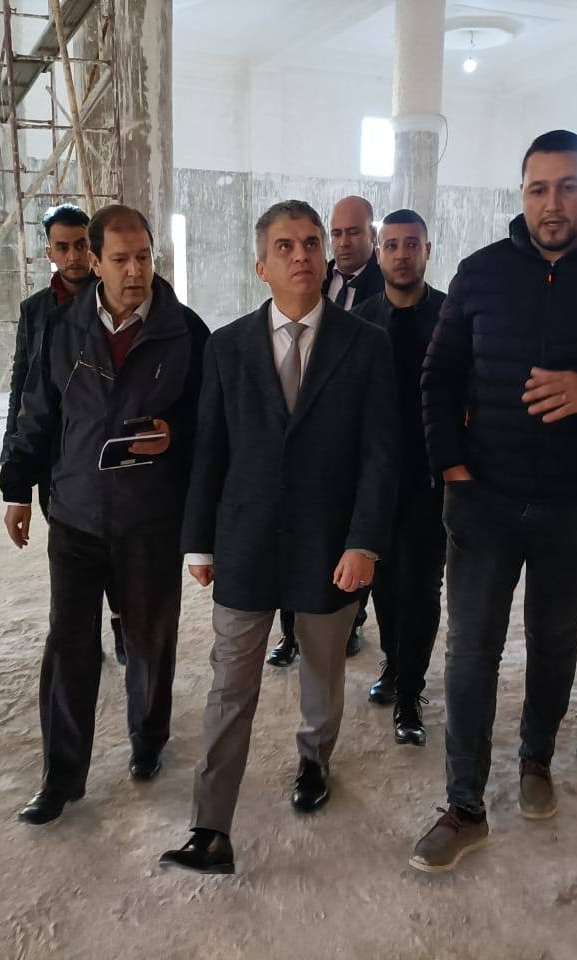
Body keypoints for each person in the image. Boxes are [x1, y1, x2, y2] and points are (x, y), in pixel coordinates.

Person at [409, 131, 577, 873]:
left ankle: (536, 758)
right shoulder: (481, 273)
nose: (553, 203)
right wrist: (452, 468)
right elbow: (438, 379)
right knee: (471, 651)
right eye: (539, 188)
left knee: (554, 641)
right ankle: (465, 806)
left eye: (568, 187)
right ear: (522, 194)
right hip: (484, 501)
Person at [159, 200, 399, 875]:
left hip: (331, 543)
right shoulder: (227, 347)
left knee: (323, 669)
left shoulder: (366, 345)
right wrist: (198, 541)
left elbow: (382, 455)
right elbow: (210, 450)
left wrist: (365, 542)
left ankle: (315, 759)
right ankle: (210, 827)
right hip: (246, 540)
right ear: (261, 265)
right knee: (230, 684)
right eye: (286, 246)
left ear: (326, 258)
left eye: (312, 244)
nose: (302, 255)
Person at [1, 204, 209, 825]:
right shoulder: (63, 329)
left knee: (149, 638)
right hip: (76, 514)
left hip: (150, 518)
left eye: (143, 256)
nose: (135, 270)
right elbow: (37, 411)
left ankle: (148, 738)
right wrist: (17, 488)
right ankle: (62, 776)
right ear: (95, 262)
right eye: (120, 259)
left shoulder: (185, 331)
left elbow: (211, 425)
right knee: (69, 644)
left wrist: (174, 436)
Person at [1, 203, 127, 665]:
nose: (73, 256)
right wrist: (15, 481)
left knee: (114, 546)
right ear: (49, 252)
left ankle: (122, 622)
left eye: (80, 245)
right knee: (72, 548)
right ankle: (81, 637)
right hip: (55, 456)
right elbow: (24, 389)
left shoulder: (117, 298)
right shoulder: (36, 311)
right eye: (63, 247)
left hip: (106, 448)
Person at [268, 193, 384, 666]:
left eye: (353, 232)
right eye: (335, 234)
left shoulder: (385, 288)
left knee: (342, 560)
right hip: (294, 444)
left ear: (372, 235)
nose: (343, 242)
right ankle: (289, 633)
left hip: (345, 449)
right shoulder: (314, 277)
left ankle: (350, 622)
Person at [352, 208, 447, 747]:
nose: (402, 254)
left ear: (427, 250)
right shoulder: (362, 321)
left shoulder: (452, 317)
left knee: (424, 585)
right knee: (384, 582)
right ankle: (393, 662)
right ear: (378, 252)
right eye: (391, 245)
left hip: (434, 478)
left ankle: (410, 692)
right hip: (377, 479)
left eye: (412, 244)